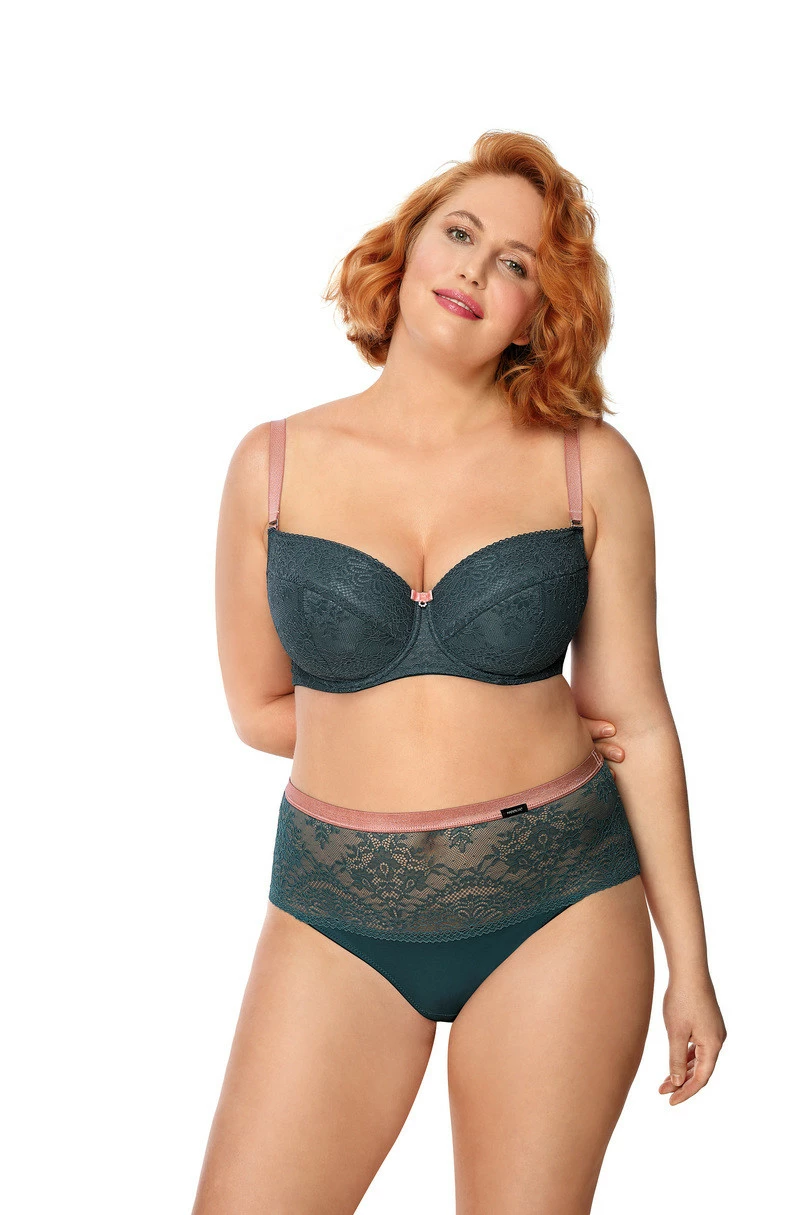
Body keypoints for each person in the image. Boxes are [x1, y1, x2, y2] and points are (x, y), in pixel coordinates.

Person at [193, 130, 727, 1214]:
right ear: (406, 251)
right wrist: (432, 723)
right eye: (461, 233)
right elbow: (256, 707)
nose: (478, 270)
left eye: (516, 262)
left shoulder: (589, 466)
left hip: (559, 905)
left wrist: (693, 966)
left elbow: (639, 722)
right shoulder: (273, 465)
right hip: (336, 908)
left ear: (536, 313)